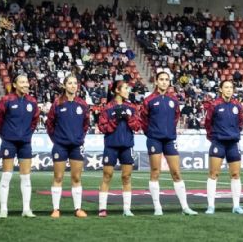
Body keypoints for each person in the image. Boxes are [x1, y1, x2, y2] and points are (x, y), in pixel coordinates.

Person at [139, 71, 197, 216]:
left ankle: (185, 207)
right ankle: (157, 207)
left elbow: (176, 117)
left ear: (169, 83)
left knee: (176, 173)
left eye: (167, 80)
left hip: (170, 139)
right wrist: (152, 133)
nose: (164, 82)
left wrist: (169, 131)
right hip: (154, 139)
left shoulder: (173, 100)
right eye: (161, 79)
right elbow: (143, 120)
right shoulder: (149, 100)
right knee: (155, 172)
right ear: (156, 82)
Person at [0, 75, 40, 218]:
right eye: (22, 82)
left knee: (26, 177)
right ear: (15, 85)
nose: (26, 84)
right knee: (7, 175)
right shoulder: (6, 100)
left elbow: (34, 121)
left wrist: (27, 134)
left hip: (25, 143)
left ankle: (26, 209)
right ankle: (3, 209)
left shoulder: (32, 102)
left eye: (27, 82)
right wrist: (6, 135)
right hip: (9, 142)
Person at [46, 75, 89, 218]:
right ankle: (56, 209)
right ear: (64, 86)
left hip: (76, 146)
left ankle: (78, 209)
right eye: (70, 83)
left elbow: (86, 124)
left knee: (76, 177)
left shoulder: (82, 104)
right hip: (60, 146)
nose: (73, 85)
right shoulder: (57, 103)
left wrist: (79, 138)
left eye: (75, 83)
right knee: (58, 177)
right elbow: (50, 124)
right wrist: (57, 140)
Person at [97, 81, 141, 217]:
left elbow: (137, 126)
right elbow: (102, 128)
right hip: (111, 146)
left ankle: (127, 209)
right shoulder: (107, 108)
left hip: (127, 146)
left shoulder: (132, 107)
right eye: (125, 88)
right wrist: (115, 120)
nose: (128, 91)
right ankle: (102, 208)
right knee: (107, 176)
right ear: (117, 90)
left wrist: (128, 118)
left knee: (126, 177)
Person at [203, 79, 243, 215]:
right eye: (226, 87)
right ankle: (211, 206)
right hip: (218, 143)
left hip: (233, 143)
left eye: (231, 87)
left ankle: (236, 206)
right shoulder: (214, 105)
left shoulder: (237, 106)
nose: (229, 89)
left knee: (235, 174)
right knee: (214, 174)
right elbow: (207, 123)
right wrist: (214, 138)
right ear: (220, 89)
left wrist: (234, 134)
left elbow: (240, 123)